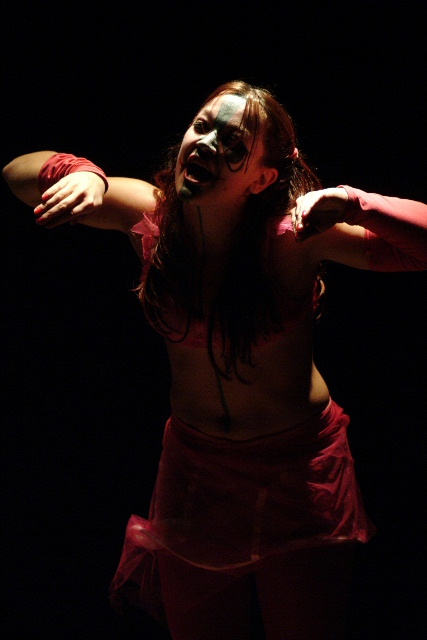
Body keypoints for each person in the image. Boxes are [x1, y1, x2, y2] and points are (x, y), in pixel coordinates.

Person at [3, 80, 427, 640]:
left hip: (298, 474)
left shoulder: (294, 237)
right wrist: (84, 174)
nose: (206, 143)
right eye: (202, 127)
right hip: (196, 474)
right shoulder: (152, 215)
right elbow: (16, 171)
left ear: (263, 178)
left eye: (233, 143)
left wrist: (356, 203)